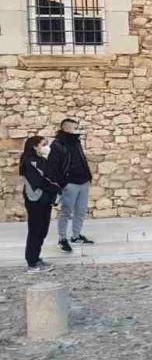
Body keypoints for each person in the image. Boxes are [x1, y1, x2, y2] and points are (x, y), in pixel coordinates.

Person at [46, 117, 94, 253]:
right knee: (66, 212)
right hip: (70, 183)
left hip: (83, 181)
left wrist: (88, 176)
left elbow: (82, 159)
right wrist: (63, 183)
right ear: (66, 128)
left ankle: (76, 236)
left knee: (81, 210)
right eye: (75, 127)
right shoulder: (57, 144)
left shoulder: (76, 142)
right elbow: (53, 167)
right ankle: (62, 239)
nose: (78, 129)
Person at [19, 136, 60, 273]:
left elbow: (52, 174)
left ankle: (36, 258)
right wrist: (55, 188)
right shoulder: (28, 161)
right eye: (43, 144)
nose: (46, 147)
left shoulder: (41, 159)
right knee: (35, 230)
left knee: (42, 230)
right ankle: (32, 262)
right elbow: (39, 181)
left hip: (45, 199)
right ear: (35, 146)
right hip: (35, 199)